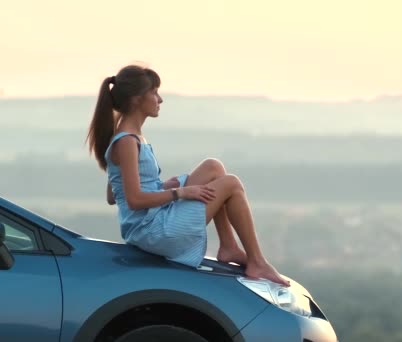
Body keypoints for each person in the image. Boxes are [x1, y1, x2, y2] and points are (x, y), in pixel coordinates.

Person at [86, 64, 289, 286]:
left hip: (153, 218)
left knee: (213, 167)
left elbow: (115, 194)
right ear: (136, 99)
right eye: (154, 93)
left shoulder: (129, 136)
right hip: (152, 231)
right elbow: (133, 200)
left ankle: (229, 246)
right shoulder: (126, 141)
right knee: (231, 184)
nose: (160, 99)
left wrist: (161, 187)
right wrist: (180, 192)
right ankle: (257, 261)